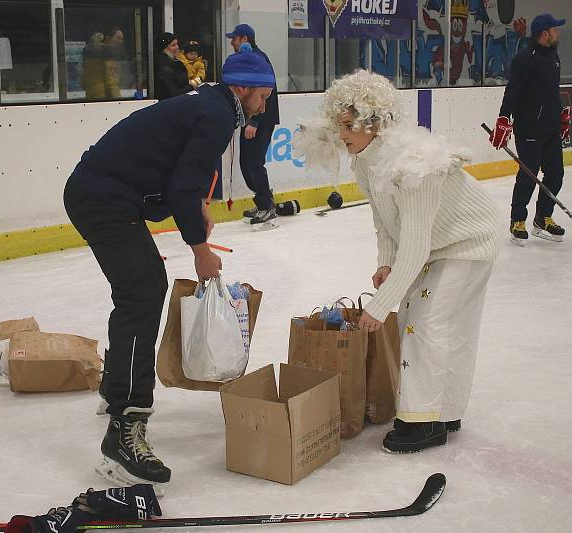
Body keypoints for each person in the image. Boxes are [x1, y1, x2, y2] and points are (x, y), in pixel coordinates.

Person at [63, 48, 274, 487]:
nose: (266, 104)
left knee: (137, 291)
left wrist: (197, 204)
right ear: (243, 88)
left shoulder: (213, 105)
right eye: (264, 95)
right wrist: (200, 248)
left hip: (101, 192)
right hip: (102, 199)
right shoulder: (217, 114)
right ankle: (126, 425)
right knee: (143, 291)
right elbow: (180, 183)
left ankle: (114, 389)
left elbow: (181, 170)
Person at [294, 69, 500, 453]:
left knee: (423, 324)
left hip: (468, 242)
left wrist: (380, 304)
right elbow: (385, 218)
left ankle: (423, 422)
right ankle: (443, 410)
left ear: (373, 122)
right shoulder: (366, 159)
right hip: (440, 243)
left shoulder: (413, 166)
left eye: (347, 126)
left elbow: (417, 245)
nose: (341, 136)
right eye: (339, 125)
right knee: (431, 324)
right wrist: (385, 263)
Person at [490, 13, 568, 246]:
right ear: (544, 34)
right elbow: (512, 91)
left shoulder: (554, 57)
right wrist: (504, 118)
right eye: (555, 30)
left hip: (550, 128)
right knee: (529, 175)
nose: (558, 33)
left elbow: (550, 92)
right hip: (529, 129)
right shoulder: (525, 59)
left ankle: (543, 218)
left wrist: (560, 113)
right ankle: (517, 220)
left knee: (556, 174)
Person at [226, 24, 281, 228]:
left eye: (234, 38)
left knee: (253, 163)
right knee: (247, 163)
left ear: (245, 39)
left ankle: (267, 206)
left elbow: (266, 92)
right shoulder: (250, 58)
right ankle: (263, 202)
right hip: (251, 120)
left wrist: (254, 122)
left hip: (260, 121)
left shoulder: (258, 59)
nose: (232, 42)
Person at [83, 28, 124, 100]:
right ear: (108, 38)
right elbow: (112, 83)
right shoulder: (109, 55)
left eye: (122, 39)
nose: (121, 41)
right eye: (118, 38)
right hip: (104, 99)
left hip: (90, 98)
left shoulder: (89, 55)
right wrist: (120, 101)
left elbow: (82, 81)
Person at [153, 32, 191, 100]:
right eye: (173, 45)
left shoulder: (174, 63)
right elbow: (173, 94)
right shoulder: (164, 67)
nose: (177, 47)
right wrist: (192, 86)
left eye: (177, 44)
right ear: (164, 49)